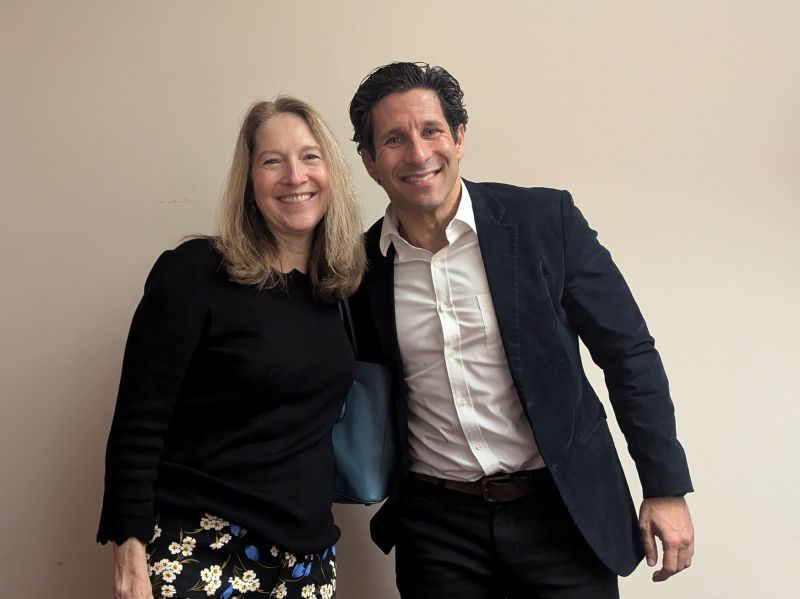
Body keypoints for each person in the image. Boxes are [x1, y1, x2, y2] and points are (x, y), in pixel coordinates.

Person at [347, 62, 695, 598]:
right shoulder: (360, 269)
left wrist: (665, 487)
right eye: (393, 140)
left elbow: (628, 352)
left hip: (561, 513)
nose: (418, 154)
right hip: (437, 530)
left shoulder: (544, 221)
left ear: (460, 138)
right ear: (370, 162)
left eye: (432, 130)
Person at [97, 96, 365, 599]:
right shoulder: (195, 272)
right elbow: (137, 424)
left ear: (332, 172)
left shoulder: (339, 289)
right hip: (200, 547)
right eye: (271, 161)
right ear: (249, 183)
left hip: (308, 560)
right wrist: (129, 554)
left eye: (310, 156)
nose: (294, 175)